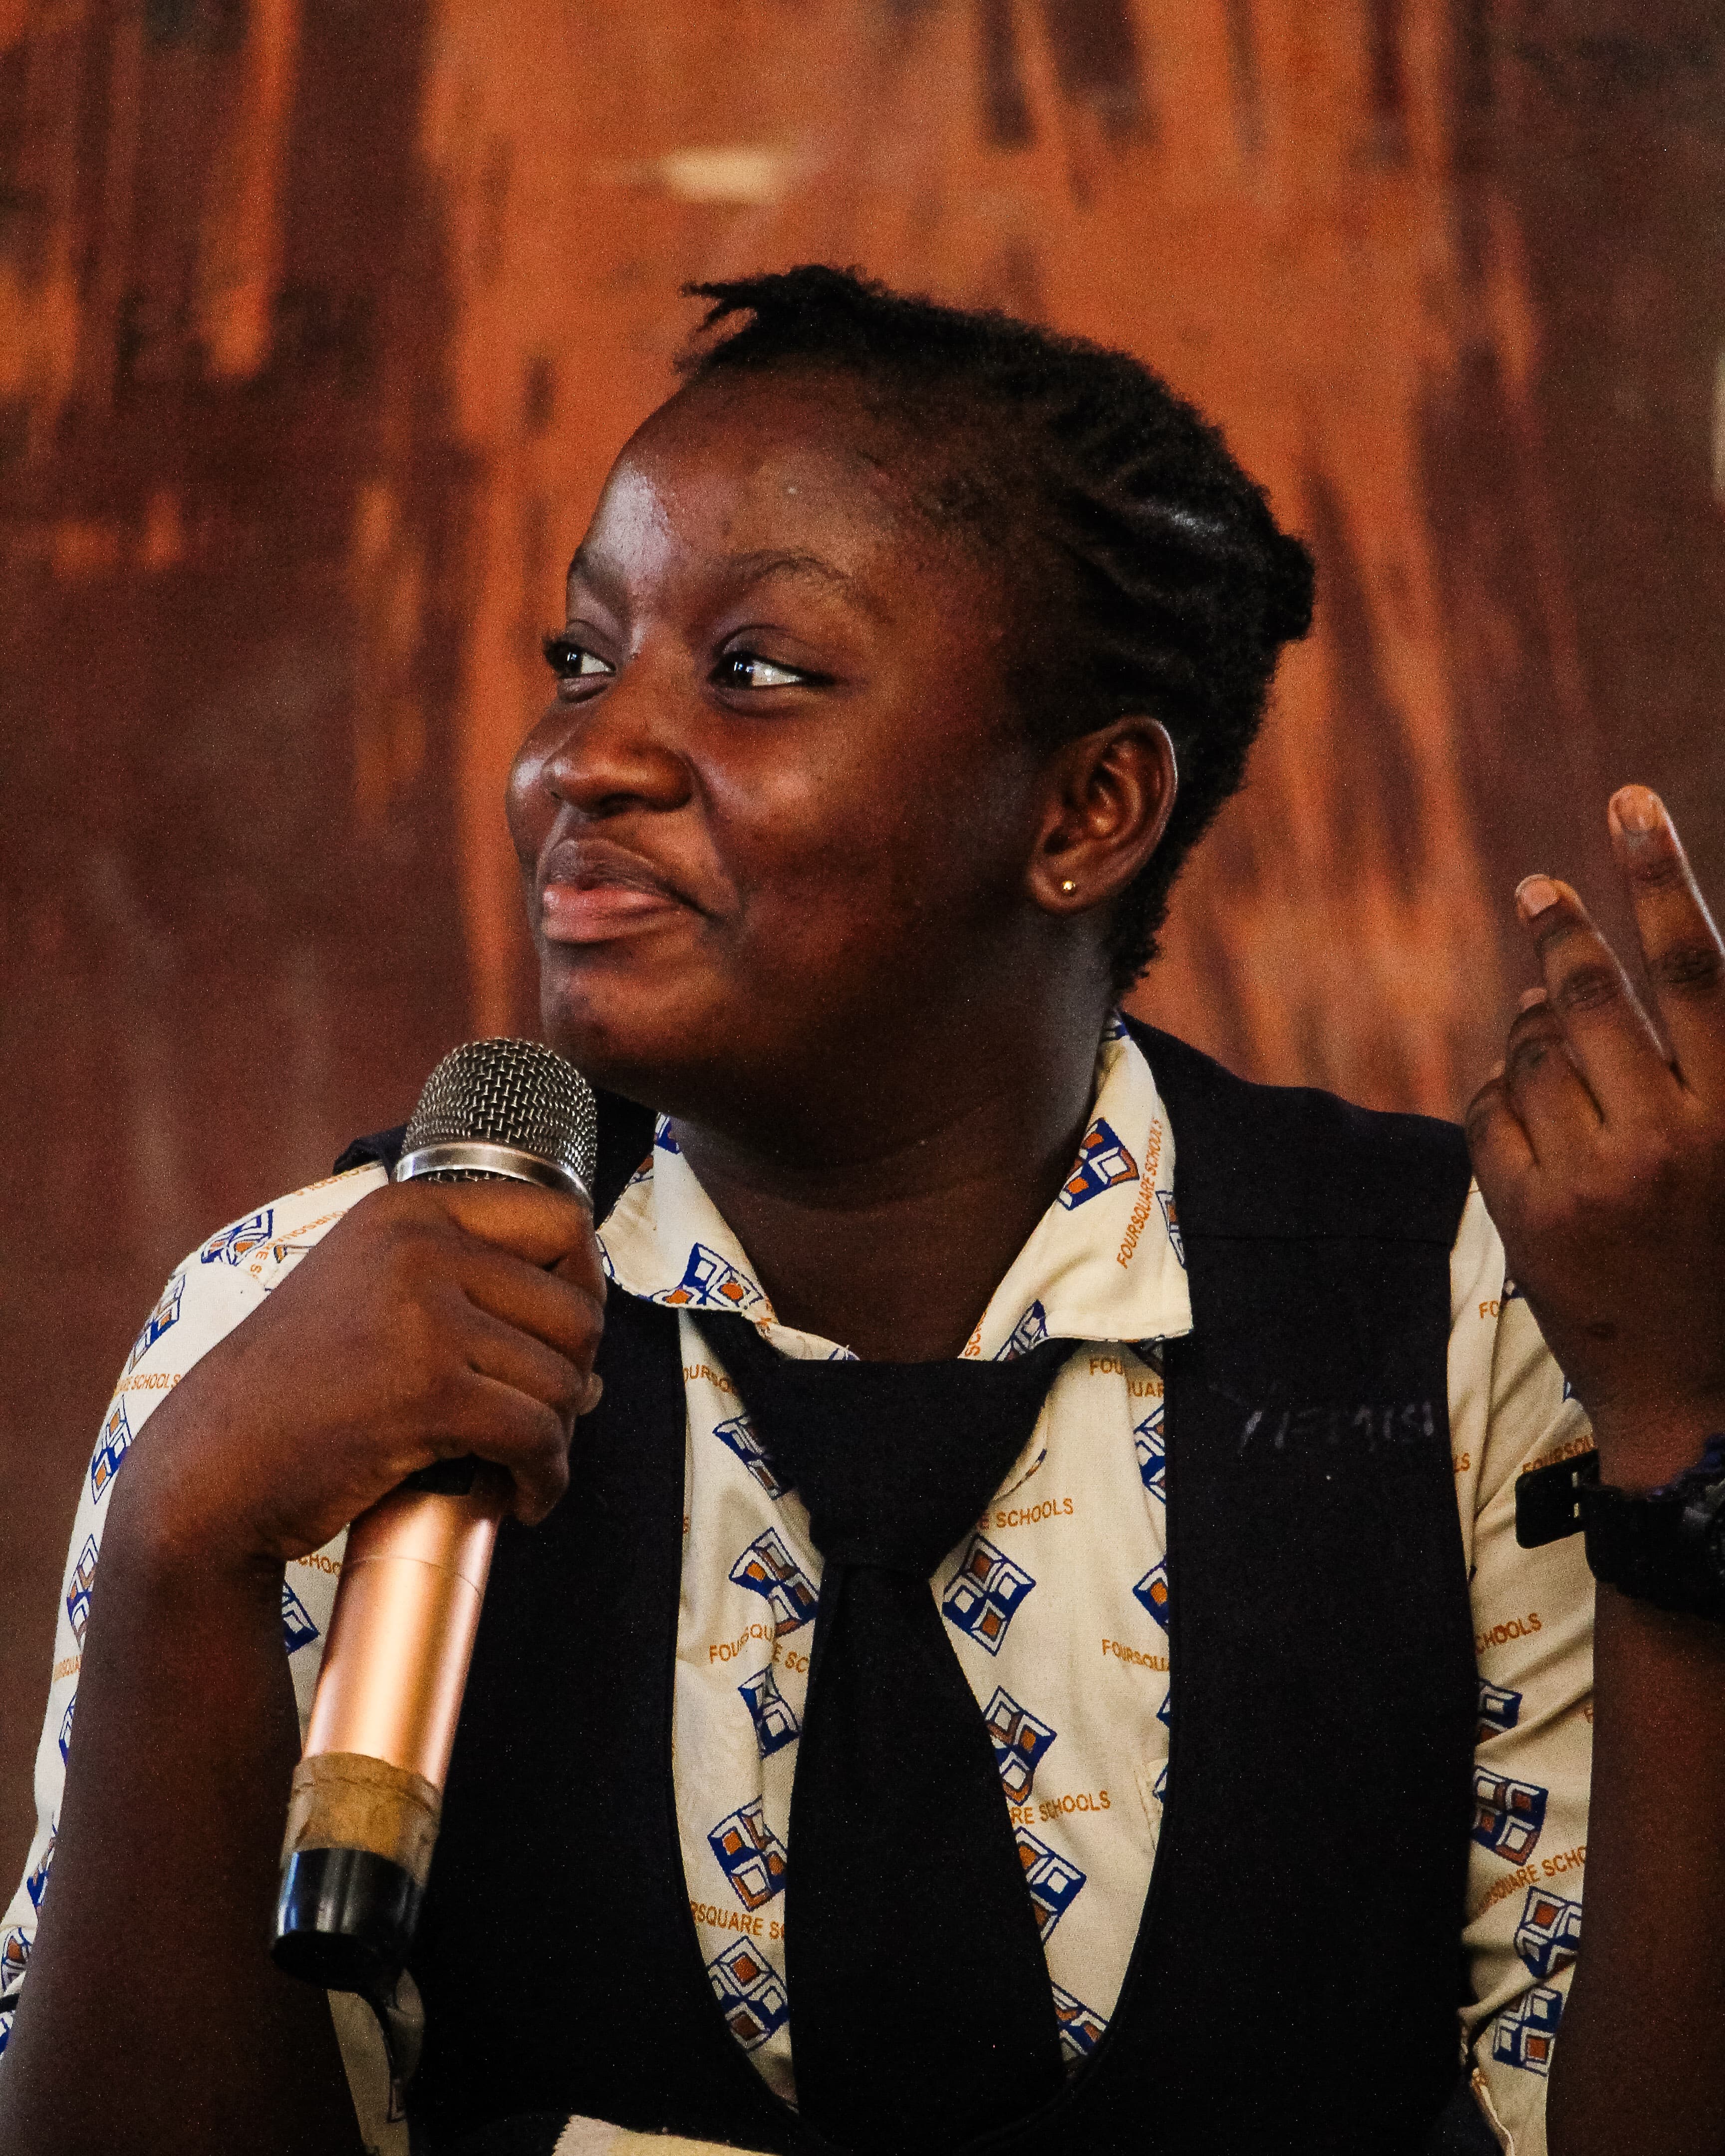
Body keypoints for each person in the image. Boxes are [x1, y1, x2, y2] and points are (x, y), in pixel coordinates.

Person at [1, 266, 1724, 2156]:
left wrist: (1683, 1437)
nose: (586, 759)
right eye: (584, 660)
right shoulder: (303, 1324)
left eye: (754, 673)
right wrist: (184, 1546)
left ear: (1087, 811)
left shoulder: (1480, 1310)